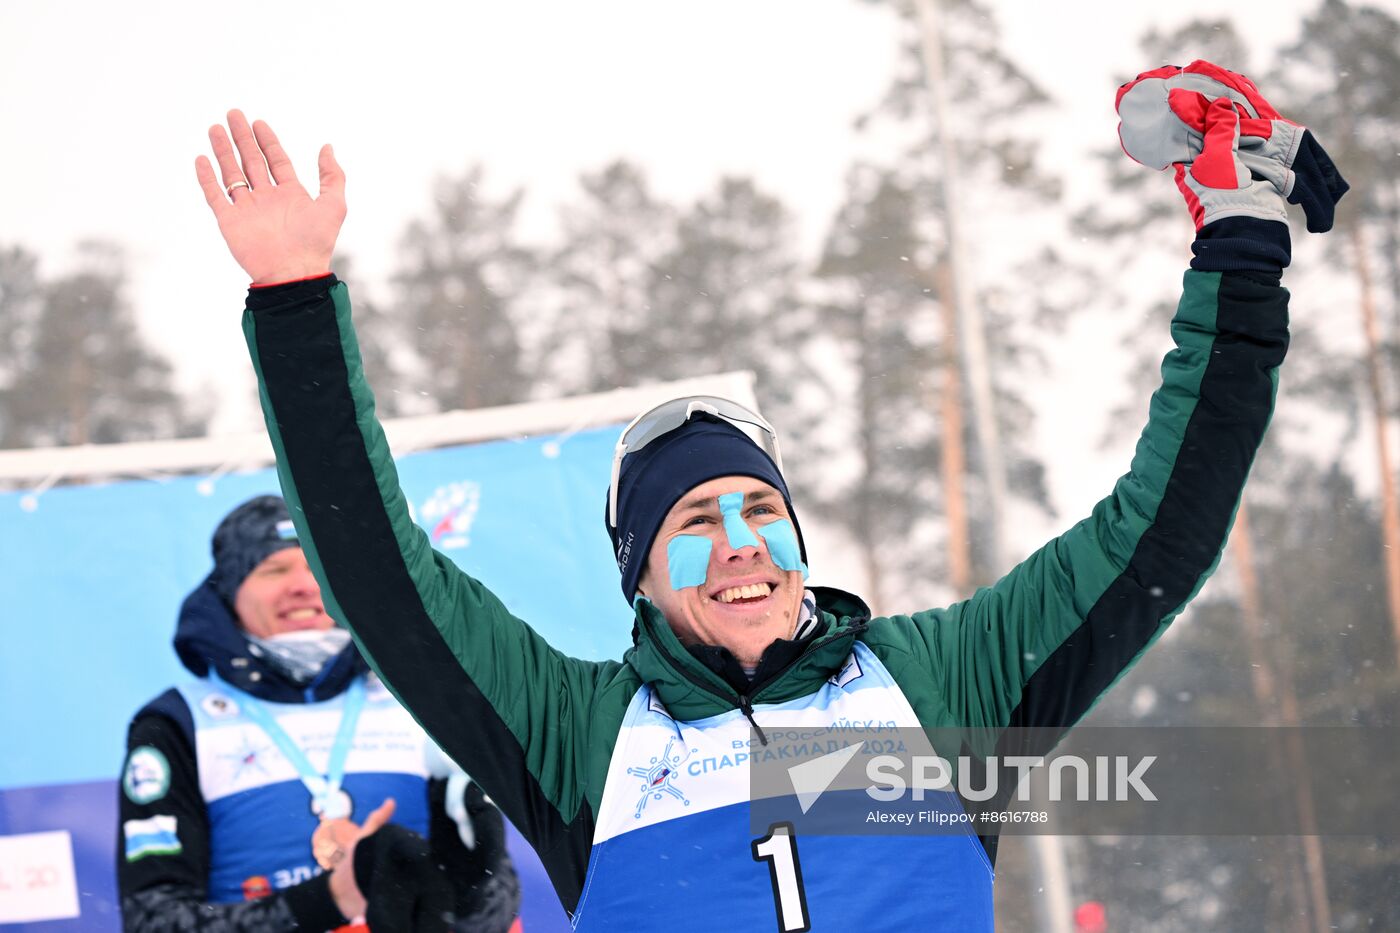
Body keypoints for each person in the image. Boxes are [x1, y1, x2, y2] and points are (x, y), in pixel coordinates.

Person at [192, 61, 1346, 930]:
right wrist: (294, 296)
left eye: (757, 512)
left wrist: (1236, 253)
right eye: (693, 524)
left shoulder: (941, 681)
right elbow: (384, 577)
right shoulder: (578, 733)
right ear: (637, 575)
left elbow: (1160, 526)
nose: (740, 544)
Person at [117, 496, 522, 932]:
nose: (303, 585)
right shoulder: (177, 724)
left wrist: (466, 890)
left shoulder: (420, 699)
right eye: (274, 569)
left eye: (317, 567)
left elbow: (497, 911)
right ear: (230, 592)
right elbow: (153, 920)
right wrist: (330, 899)